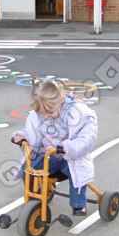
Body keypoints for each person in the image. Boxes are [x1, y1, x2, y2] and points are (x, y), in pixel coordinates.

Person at [12, 79, 98, 216]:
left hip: (69, 158)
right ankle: (34, 203)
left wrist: (69, 148)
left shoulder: (78, 113)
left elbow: (86, 138)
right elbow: (34, 133)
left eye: (50, 112)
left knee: (77, 173)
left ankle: (78, 204)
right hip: (48, 155)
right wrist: (24, 137)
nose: (46, 117)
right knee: (29, 168)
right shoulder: (39, 115)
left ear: (60, 101)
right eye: (41, 114)